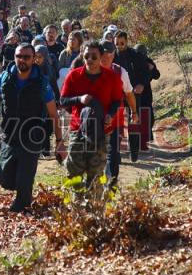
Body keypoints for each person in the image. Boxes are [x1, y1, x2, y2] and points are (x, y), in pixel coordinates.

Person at [0, 44, 65, 213]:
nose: (22, 60)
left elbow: (53, 114)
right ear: (14, 57)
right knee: (4, 177)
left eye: (26, 57)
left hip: (32, 135)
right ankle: (22, 183)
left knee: (24, 177)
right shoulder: (4, 78)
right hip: (9, 134)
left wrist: (59, 142)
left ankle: (22, 205)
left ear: (34, 59)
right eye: (19, 56)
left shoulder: (42, 83)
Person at [59, 41, 124, 193]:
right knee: (74, 171)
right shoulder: (74, 76)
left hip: (102, 130)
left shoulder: (112, 77)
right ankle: (75, 207)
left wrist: (110, 115)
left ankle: (93, 210)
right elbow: (63, 100)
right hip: (78, 130)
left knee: (95, 173)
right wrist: (79, 99)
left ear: (101, 57)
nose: (90, 60)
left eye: (94, 57)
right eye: (86, 56)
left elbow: (117, 101)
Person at [100, 40, 139, 175]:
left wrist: (134, 112)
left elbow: (129, 94)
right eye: (103, 55)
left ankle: (112, 186)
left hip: (115, 117)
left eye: (108, 55)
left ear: (113, 55)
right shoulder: (89, 70)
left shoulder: (121, 72)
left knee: (114, 154)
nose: (105, 58)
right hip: (94, 116)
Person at [114, 31, 151, 152]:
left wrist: (141, 84)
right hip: (118, 92)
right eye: (117, 44)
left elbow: (146, 72)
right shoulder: (112, 56)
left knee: (135, 116)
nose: (119, 46)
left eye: (122, 43)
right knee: (116, 118)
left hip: (133, 90)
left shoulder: (136, 55)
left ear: (126, 41)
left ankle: (134, 147)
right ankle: (116, 146)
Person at [135, 44, 160, 141]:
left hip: (146, 95)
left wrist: (152, 68)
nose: (141, 56)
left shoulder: (148, 62)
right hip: (135, 95)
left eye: (143, 54)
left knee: (150, 119)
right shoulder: (132, 62)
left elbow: (157, 75)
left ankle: (148, 140)